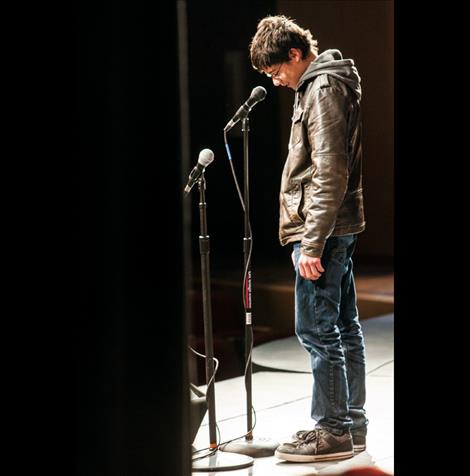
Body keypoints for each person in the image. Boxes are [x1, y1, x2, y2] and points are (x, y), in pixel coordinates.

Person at [249, 15, 368, 463]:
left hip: (323, 229)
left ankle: (333, 429)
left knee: (317, 330)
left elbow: (329, 171)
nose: (277, 81)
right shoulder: (326, 85)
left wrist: (312, 242)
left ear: (295, 54)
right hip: (335, 226)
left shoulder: (321, 90)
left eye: (277, 71)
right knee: (342, 327)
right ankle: (350, 425)